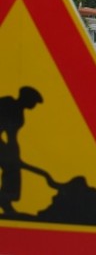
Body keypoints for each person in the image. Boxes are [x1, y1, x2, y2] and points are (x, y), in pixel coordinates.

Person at [0, 87, 43, 215]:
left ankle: (6, 200)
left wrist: (16, 158)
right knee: (11, 167)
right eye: (33, 102)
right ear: (26, 98)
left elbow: (12, 138)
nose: (34, 105)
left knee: (12, 168)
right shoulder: (7, 103)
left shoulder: (19, 115)